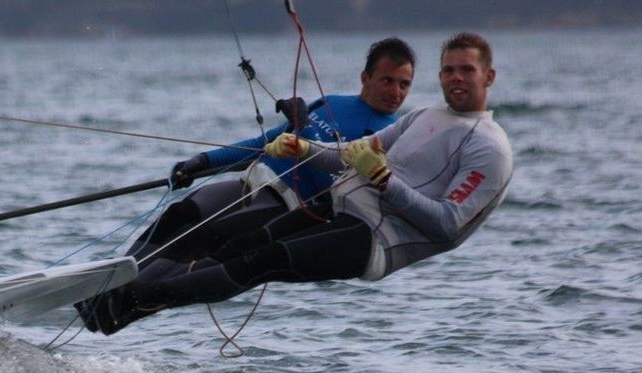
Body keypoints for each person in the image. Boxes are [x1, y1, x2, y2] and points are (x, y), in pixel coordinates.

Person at [79, 32, 513, 335]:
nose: (456, 78)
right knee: (208, 232)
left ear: (488, 77)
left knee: (254, 258)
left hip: (373, 238)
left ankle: (130, 299)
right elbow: (343, 155)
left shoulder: (489, 147)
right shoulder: (423, 117)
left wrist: (382, 179)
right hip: (330, 207)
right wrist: (298, 145)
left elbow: (447, 225)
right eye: (449, 70)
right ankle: (116, 292)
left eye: (466, 70)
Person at [125, 37, 415, 280]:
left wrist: (305, 129)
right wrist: (202, 162)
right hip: (252, 183)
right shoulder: (332, 102)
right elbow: (263, 143)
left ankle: (130, 291)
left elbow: (337, 186)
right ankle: (117, 274)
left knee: (204, 237)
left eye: (404, 84)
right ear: (365, 78)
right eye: (387, 81)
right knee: (181, 213)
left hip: (286, 205)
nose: (396, 92)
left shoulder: (387, 136)